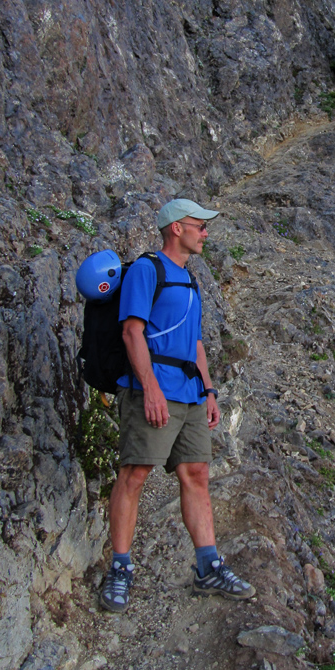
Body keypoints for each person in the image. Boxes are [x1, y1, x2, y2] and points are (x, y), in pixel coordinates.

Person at [100, 198, 255, 613]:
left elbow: (197, 343)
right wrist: (149, 387)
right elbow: (133, 333)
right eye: (199, 226)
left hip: (188, 393)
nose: (205, 233)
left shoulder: (189, 280)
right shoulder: (146, 270)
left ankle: (208, 566)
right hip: (153, 388)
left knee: (197, 473)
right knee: (135, 473)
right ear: (175, 228)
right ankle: (119, 568)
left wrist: (208, 390)